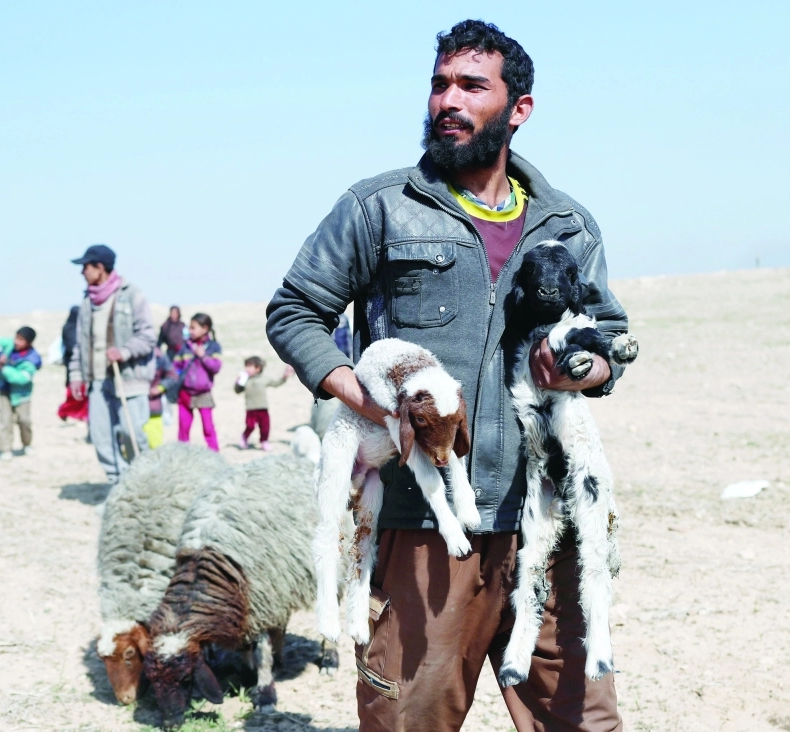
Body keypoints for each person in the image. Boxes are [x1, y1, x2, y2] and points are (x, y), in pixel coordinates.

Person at [266, 20, 629, 732]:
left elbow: (610, 343)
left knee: (585, 723)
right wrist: (371, 407)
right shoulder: (380, 208)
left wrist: (579, 367)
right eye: (439, 85)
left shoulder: (568, 224)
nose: (447, 101)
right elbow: (295, 313)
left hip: (545, 525)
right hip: (421, 526)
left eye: (471, 86)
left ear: (518, 109)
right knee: (407, 722)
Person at [68, 244, 156, 484]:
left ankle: (143, 485)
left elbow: (148, 336)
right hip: (98, 380)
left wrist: (124, 351)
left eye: (85, 266)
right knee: (101, 437)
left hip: (129, 379)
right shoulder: (87, 301)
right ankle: (116, 487)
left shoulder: (132, 295)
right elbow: (80, 343)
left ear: (99, 267)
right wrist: (76, 375)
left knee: (132, 433)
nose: (82, 272)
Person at [0, 327, 42, 460]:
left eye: (21, 340)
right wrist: (2, 351)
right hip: (5, 391)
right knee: (5, 421)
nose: (17, 342)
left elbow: (21, 379)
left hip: (22, 394)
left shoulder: (31, 360)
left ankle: (27, 444)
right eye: (16, 338)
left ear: (29, 343)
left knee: (24, 421)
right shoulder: (10, 346)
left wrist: (4, 369)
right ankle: (6, 449)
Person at [173, 313, 222, 452]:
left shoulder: (214, 347)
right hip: (185, 394)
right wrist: (177, 377)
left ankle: (214, 455)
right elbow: (176, 367)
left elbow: (216, 367)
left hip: (203, 394)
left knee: (208, 427)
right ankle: (182, 457)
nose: (190, 330)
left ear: (205, 328)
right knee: (183, 428)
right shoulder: (185, 347)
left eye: (193, 327)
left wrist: (203, 357)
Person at [234, 356, 293, 451]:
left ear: (258, 368)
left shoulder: (264, 379)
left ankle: (264, 441)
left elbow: (276, 383)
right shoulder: (245, 379)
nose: (247, 369)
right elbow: (237, 391)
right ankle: (244, 437)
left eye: (250, 366)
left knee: (265, 426)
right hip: (250, 409)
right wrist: (237, 383)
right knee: (250, 426)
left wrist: (284, 377)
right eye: (246, 366)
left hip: (262, 408)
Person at [57, 306, 88, 422]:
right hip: (72, 364)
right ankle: (64, 411)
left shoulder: (80, 327)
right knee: (74, 393)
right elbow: (72, 346)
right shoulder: (69, 328)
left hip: (79, 363)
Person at [144, 347, 177, 448]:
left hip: (153, 408)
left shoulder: (159, 356)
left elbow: (172, 376)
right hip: (132, 409)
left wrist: (160, 388)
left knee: (155, 444)